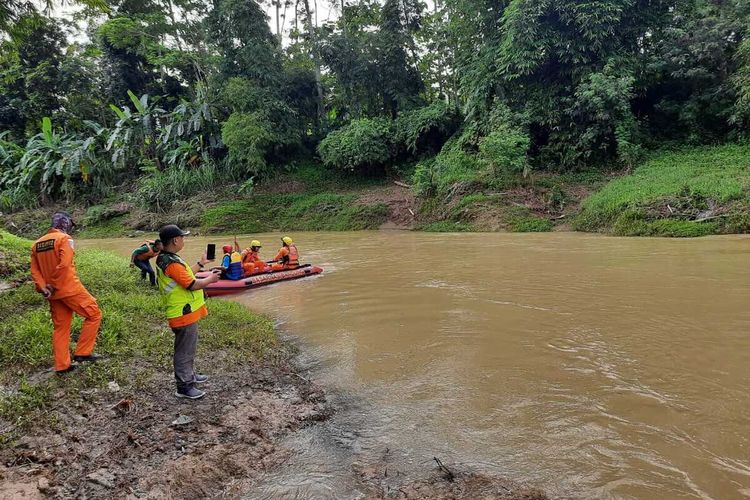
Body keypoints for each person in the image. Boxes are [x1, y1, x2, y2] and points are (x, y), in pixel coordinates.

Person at [30, 211, 102, 374]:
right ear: (65, 224)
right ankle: (83, 353)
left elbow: (35, 271)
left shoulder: (36, 244)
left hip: (52, 294)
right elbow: (64, 265)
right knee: (94, 314)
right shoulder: (65, 239)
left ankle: (62, 366)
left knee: (61, 328)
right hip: (69, 288)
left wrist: (43, 287)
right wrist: (54, 284)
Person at [156, 224, 220, 400]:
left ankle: (189, 375)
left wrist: (201, 264)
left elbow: (186, 276)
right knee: (184, 350)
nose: (184, 240)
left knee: (188, 347)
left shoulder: (169, 258)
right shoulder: (171, 263)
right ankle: (184, 386)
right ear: (176, 240)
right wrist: (211, 279)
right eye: (182, 237)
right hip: (182, 313)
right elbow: (191, 284)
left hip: (186, 311)